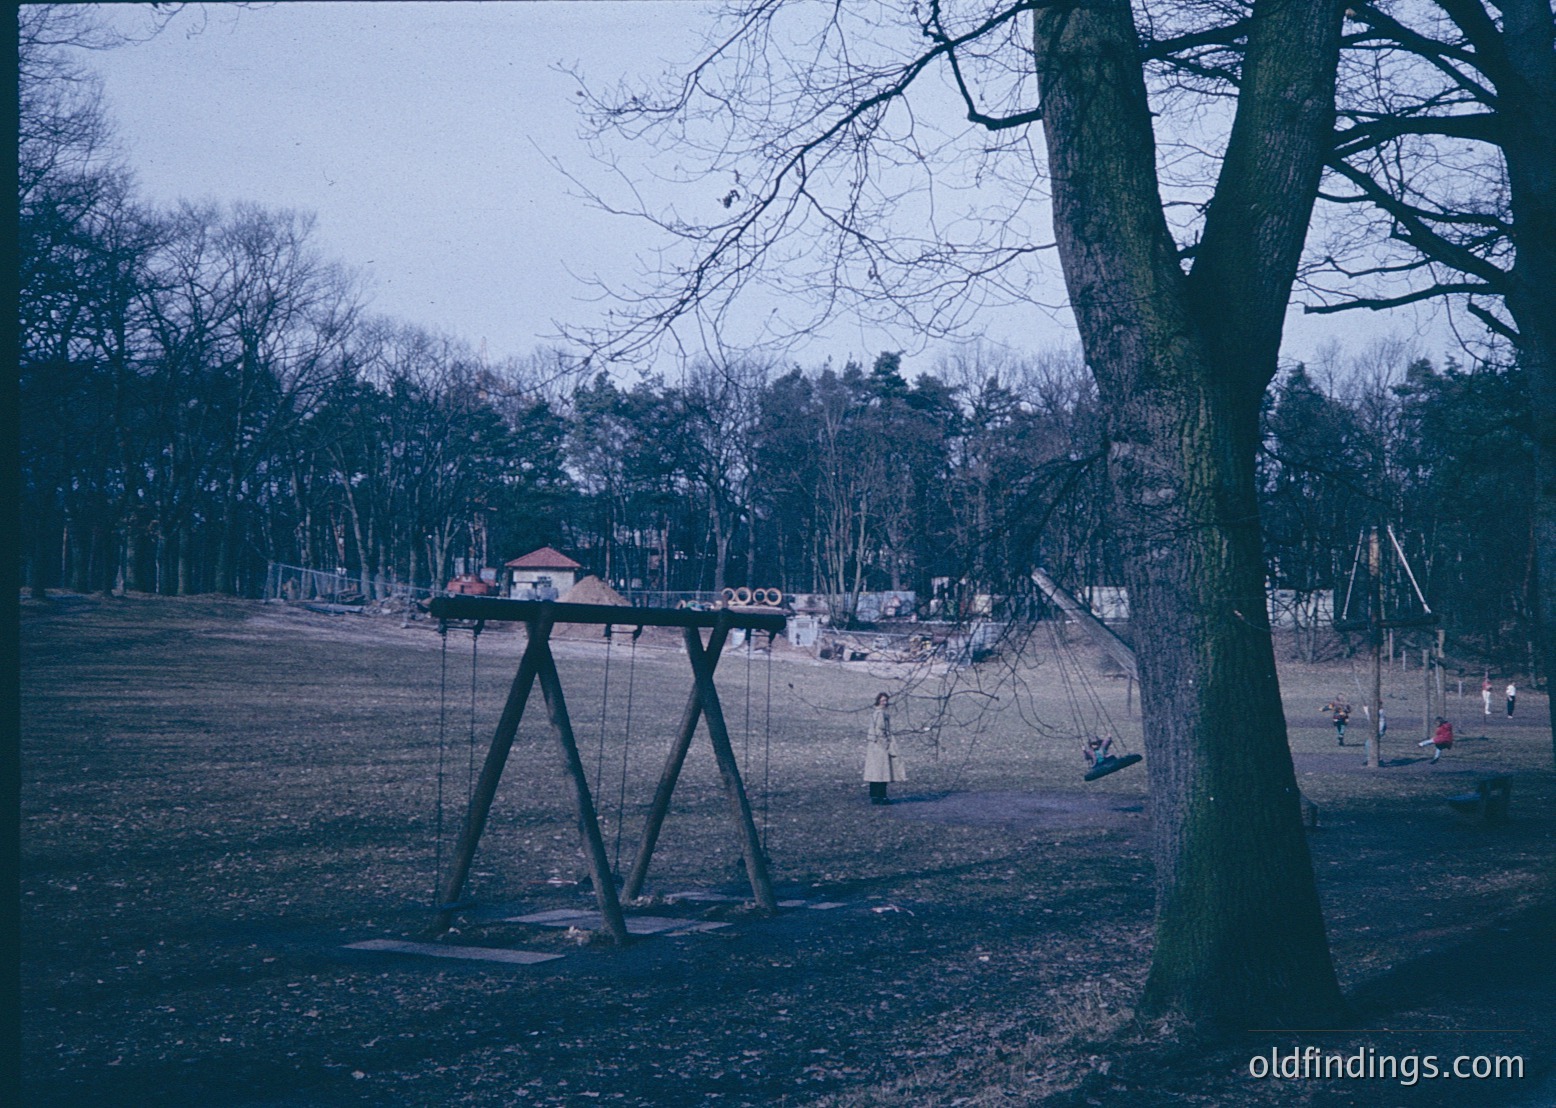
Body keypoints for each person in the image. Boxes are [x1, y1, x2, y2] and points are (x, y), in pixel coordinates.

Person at [863, 692, 904, 804]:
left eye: (886, 700)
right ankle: (880, 797)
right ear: (878, 701)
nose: (884, 703)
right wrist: (886, 744)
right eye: (882, 701)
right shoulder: (880, 714)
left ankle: (876, 796)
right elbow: (880, 729)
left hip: (875, 746)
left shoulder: (877, 713)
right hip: (879, 747)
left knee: (876, 773)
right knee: (882, 773)